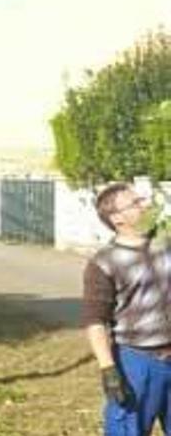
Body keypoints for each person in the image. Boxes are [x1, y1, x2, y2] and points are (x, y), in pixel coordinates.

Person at [82, 182, 171, 435]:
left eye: (141, 199)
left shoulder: (165, 243)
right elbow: (95, 321)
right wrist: (108, 369)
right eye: (135, 202)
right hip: (137, 363)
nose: (144, 205)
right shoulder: (104, 263)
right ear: (117, 218)